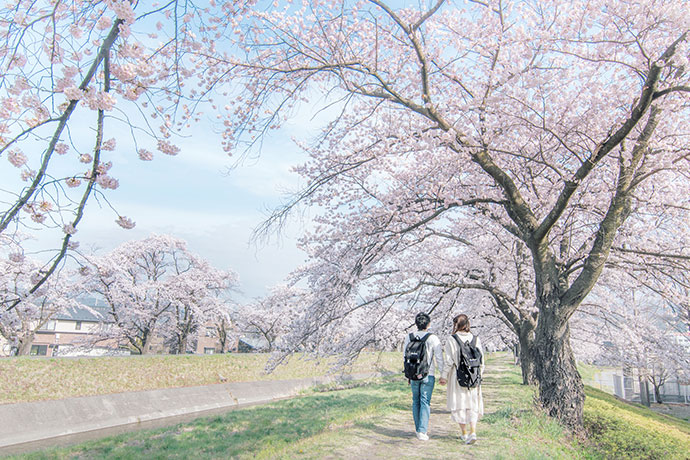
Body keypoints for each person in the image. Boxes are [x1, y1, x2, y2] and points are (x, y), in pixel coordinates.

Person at [403, 312, 445, 441]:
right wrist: (443, 375)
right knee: (425, 401)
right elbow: (439, 358)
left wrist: (408, 375)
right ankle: (422, 431)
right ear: (428, 324)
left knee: (415, 401)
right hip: (428, 374)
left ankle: (418, 429)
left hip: (413, 374)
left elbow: (405, 357)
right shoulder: (432, 338)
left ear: (416, 323)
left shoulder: (408, 337)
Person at [443, 313, 484, 444]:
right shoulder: (476, 339)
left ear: (456, 325)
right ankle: (473, 431)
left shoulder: (452, 339)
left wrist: (444, 376)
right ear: (468, 324)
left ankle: (464, 433)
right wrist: (478, 375)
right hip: (473, 376)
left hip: (457, 375)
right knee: (472, 404)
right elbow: (481, 360)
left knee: (459, 404)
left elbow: (449, 361)